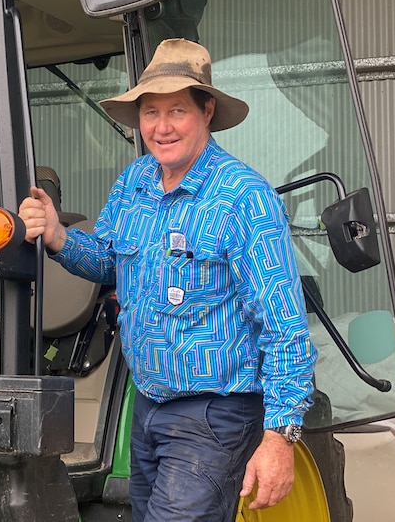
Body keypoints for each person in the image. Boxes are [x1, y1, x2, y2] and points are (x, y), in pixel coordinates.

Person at [19, 39, 317, 521]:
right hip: (149, 405)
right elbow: (107, 263)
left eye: (176, 110)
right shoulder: (135, 181)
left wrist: (280, 436)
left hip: (215, 415)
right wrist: (57, 235)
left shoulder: (243, 197)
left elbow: (284, 326)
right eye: (150, 112)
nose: (161, 127)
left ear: (207, 110)